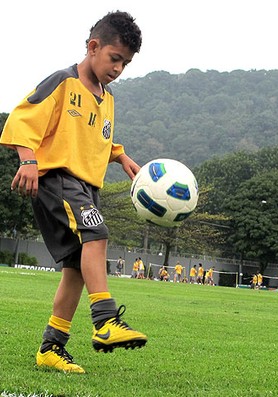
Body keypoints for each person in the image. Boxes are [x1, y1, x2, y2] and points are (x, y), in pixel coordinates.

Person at [0, 11, 147, 374]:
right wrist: (28, 161)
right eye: (115, 59)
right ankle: (106, 321)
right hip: (58, 179)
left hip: (86, 186)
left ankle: (52, 346)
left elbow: (98, 136)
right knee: (97, 235)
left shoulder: (107, 97)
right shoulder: (63, 83)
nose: (118, 69)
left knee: (77, 268)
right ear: (93, 47)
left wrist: (120, 155)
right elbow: (22, 118)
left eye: (125, 64)